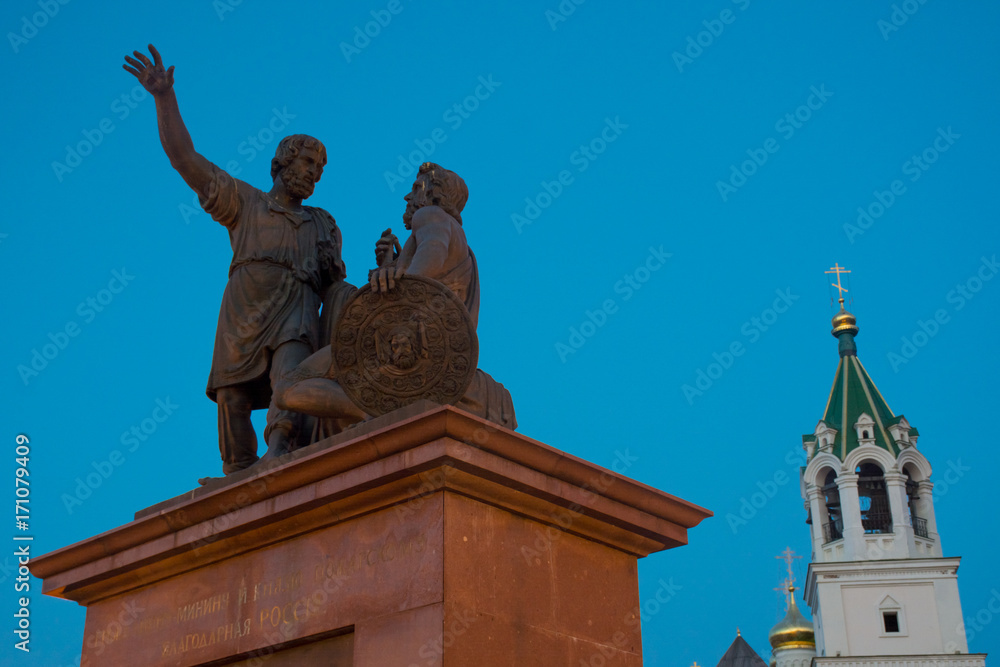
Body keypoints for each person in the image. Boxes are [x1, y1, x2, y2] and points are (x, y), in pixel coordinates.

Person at [123, 45, 350, 475]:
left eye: (318, 172)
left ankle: (281, 446)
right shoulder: (246, 204)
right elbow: (184, 160)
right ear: (281, 162)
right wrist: (164, 98)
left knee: (291, 378)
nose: (312, 175)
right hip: (244, 309)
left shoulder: (323, 224)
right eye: (305, 163)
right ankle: (238, 473)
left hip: (296, 309)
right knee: (231, 395)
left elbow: (335, 288)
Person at [270, 162, 516, 434]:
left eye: (415, 188)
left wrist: (401, 279)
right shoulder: (459, 243)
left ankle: (369, 411)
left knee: (287, 388)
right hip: (428, 346)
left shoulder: (431, 215)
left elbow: (432, 253)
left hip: (398, 338)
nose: (408, 197)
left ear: (433, 195)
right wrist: (391, 267)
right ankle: (381, 411)